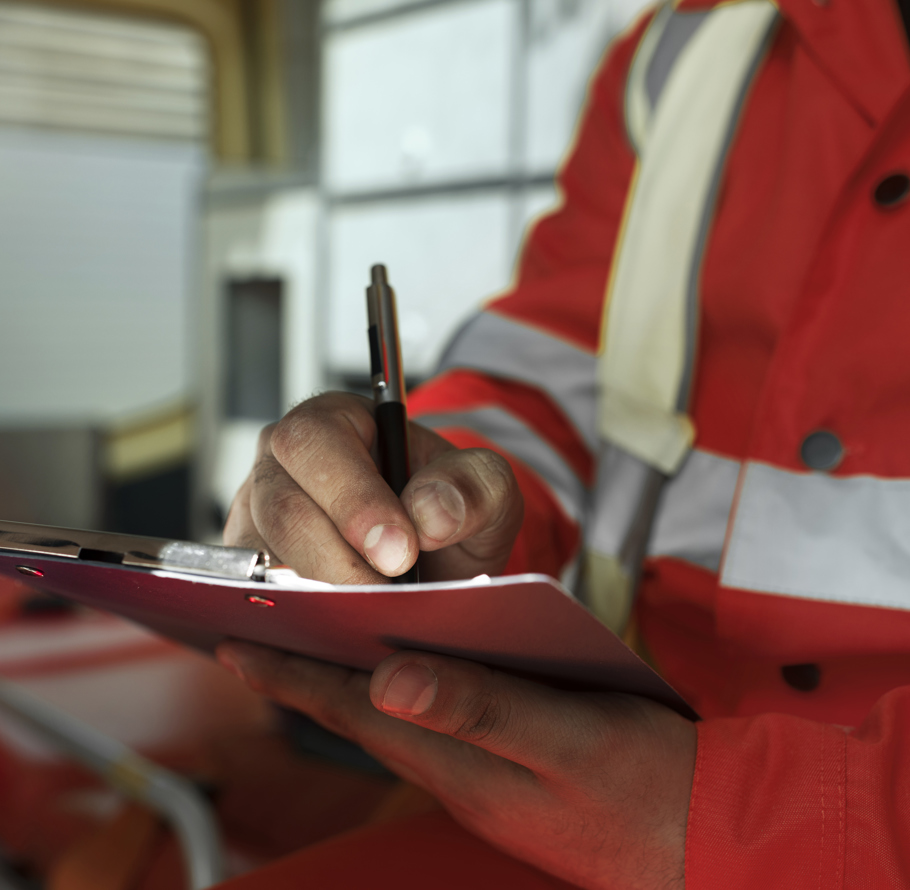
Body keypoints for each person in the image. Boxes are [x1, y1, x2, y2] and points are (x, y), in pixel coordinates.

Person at [215, 0, 910, 886]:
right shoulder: (688, 49)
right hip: (620, 785)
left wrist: (740, 820)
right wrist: (437, 496)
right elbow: (555, 369)